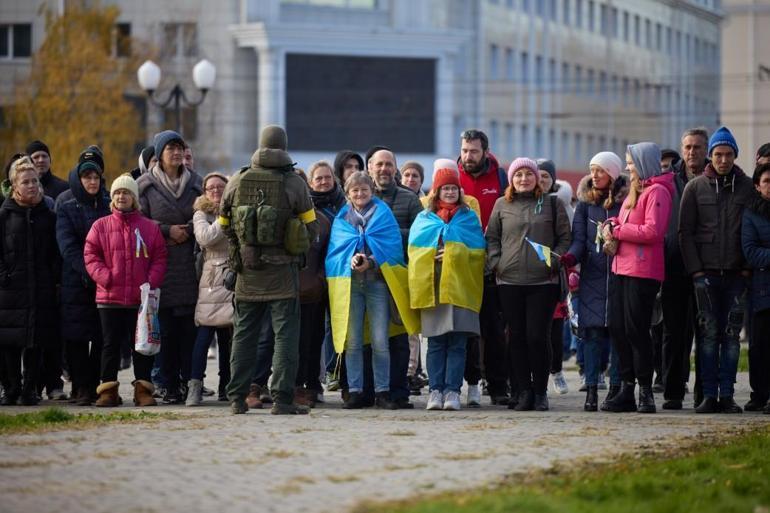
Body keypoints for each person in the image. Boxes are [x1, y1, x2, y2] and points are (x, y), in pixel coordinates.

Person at [221, 125, 319, 415]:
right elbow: (310, 227)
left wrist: (242, 247)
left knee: (243, 336)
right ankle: (282, 399)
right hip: (283, 274)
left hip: (247, 273)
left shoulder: (237, 180)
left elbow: (224, 223)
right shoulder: (294, 183)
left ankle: (237, 398)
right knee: (285, 337)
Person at [326, 171, 417, 409]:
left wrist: (372, 261)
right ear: (348, 194)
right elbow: (335, 252)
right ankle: (355, 391)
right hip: (351, 285)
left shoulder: (384, 214)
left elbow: (393, 248)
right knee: (353, 341)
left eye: (364, 189)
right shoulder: (342, 218)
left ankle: (382, 392)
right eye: (354, 190)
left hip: (377, 283)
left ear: (372, 190)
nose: (360, 194)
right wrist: (351, 260)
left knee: (380, 340)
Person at [486, 158, 571, 411]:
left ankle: (540, 391)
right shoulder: (502, 204)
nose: (524, 179)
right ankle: (523, 391)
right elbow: (491, 237)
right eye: (518, 174)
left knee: (538, 336)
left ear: (537, 178)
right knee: (517, 337)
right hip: (508, 281)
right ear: (511, 179)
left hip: (543, 282)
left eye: (529, 174)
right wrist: (496, 263)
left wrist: (554, 262)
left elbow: (565, 238)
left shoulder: (552, 204)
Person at [679, 126, 754, 414]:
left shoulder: (747, 187)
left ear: (735, 155)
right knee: (708, 336)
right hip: (706, 276)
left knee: (732, 337)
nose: (723, 160)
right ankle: (708, 394)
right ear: (710, 156)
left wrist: (747, 269)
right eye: (718, 154)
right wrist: (696, 273)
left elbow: (754, 229)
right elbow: (685, 232)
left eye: (729, 154)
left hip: (737, 275)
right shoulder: (695, 187)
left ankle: (727, 395)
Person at [600, 142, 674, 414]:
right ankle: (627, 388)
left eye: (631, 162)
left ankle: (645, 391)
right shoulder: (635, 191)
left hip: (643, 271)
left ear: (643, 163)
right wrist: (610, 227)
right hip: (621, 267)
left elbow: (653, 231)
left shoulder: (658, 192)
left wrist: (618, 231)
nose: (628, 166)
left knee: (636, 330)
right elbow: (623, 225)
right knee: (618, 328)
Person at [408, 160, 485, 410]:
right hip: (433, 285)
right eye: (445, 188)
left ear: (459, 191)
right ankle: (435, 391)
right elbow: (414, 251)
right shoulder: (424, 218)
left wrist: (452, 254)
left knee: (458, 342)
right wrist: (433, 254)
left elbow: (478, 252)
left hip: (461, 286)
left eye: (454, 188)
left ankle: (452, 391)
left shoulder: (468, 217)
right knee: (436, 341)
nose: (450, 192)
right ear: (437, 191)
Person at [85, 174, 167, 407]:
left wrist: (149, 282)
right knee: (109, 344)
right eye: (118, 193)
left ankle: (143, 389)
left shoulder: (149, 228)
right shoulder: (100, 226)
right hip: (109, 297)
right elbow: (91, 255)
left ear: (134, 198)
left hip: (139, 299)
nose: (122, 196)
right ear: (112, 198)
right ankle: (108, 390)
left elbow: (160, 257)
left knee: (141, 346)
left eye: (127, 193)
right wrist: (105, 277)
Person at [137, 130, 202, 404]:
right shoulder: (145, 185)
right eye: (170, 149)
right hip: (159, 266)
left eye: (180, 148)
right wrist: (166, 230)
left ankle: (188, 381)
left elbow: (207, 213)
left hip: (189, 266)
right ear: (159, 153)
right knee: (165, 330)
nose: (176, 154)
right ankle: (165, 383)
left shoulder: (196, 183)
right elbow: (137, 222)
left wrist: (189, 229)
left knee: (189, 330)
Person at [560, 152, 627, 411]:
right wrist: (570, 257)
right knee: (591, 335)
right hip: (592, 277)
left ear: (612, 172)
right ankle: (591, 390)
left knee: (618, 334)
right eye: (592, 169)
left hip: (621, 275)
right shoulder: (586, 205)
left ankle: (616, 388)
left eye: (600, 170)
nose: (594, 175)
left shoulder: (627, 201)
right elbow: (579, 239)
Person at [0, 157, 60, 406]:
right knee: (10, 342)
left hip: (41, 287)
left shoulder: (48, 215)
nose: (32, 186)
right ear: (15, 185)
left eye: (35, 181)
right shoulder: (4, 215)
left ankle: (30, 389)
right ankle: (11, 387)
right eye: (26, 181)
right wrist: (4, 275)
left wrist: (52, 278)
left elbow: (55, 254)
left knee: (36, 341)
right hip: (10, 289)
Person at [366, 146, 422, 409]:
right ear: (369, 169)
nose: (384, 169)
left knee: (398, 338)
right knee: (369, 338)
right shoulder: (359, 196)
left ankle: (398, 391)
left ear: (395, 169)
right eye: (379, 165)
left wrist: (384, 234)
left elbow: (418, 235)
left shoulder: (410, 199)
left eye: (389, 164)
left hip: (398, 277)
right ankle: (370, 391)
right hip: (367, 279)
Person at [457, 129, 510, 406]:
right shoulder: (452, 177)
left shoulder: (500, 178)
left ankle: (498, 385)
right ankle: (468, 383)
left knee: (493, 329)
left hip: (491, 264)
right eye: (465, 150)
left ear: (485, 152)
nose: (468, 156)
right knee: (464, 329)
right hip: (460, 264)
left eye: (474, 151)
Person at [56, 149, 111, 405]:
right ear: (79, 179)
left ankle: (95, 384)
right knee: (77, 337)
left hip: (105, 281)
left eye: (95, 177)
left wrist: (104, 273)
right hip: (76, 280)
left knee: (101, 336)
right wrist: (89, 271)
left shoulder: (108, 203)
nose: (92, 181)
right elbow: (67, 246)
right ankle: (80, 386)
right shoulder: (66, 206)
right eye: (87, 176)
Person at [661, 128, 709, 410]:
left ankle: (704, 391)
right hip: (673, 266)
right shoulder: (669, 182)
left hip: (706, 267)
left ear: (706, 150)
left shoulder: (714, 180)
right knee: (673, 333)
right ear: (682, 149)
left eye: (698, 147)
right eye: (688, 147)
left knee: (705, 332)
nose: (692, 152)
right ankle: (673, 391)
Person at [186, 172, 233, 406]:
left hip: (233, 277)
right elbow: (205, 238)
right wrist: (225, 217)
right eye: (211, 188)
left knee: (228, 337)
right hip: (212, 279)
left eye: (220, 187)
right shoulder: (200, 214)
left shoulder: (236, 209)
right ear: (204, 192)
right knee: (204, 334)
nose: (216, 191)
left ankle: (227, 385)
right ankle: (194, 385)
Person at [293, 168, 331, 407]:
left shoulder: (323, 221)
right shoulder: (283, 218)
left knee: (312, 339)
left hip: (314, 292)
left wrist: (319, 279)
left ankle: (311, 384)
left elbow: (329, 254)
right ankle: (293, 385)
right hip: (285, 290)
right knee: (291, 342)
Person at [536, 158, 572, 396]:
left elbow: (567, 237)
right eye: (536, 176)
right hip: (527, 273)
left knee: (555, 329)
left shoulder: (560, 204)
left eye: (545, 177)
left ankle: (556, 371)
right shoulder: (523, 201)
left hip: (553, 271)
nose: (540, 181)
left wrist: (555, 259)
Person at [742, 162, 770, 414]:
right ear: (757, 186)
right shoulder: (751, 214)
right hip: (762, 291)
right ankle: (759, 393)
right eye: (767, 181)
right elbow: (750, 252)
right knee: (759, 346)